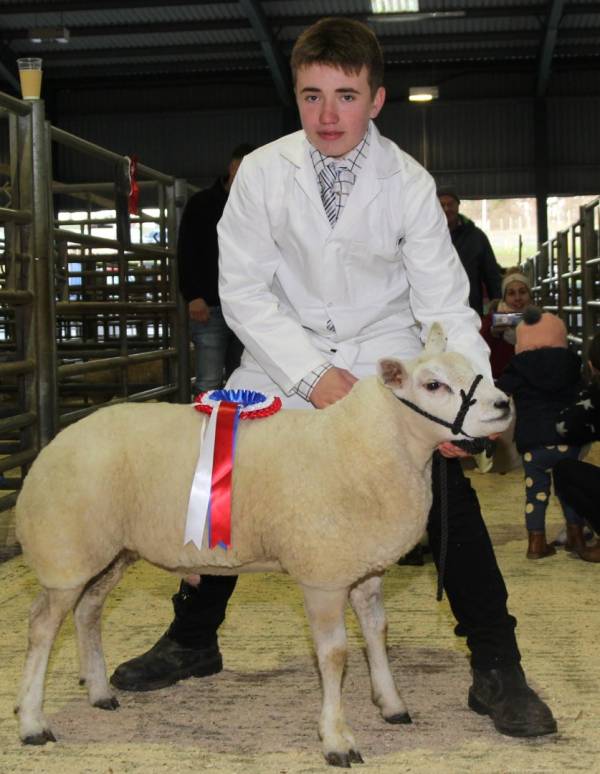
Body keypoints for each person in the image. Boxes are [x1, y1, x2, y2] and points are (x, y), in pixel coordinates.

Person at [111, 18, 556, 739]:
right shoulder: (261, 171)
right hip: (282, 361)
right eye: (312, 94)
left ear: (376, 100)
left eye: (345, 96)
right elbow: (245, 292)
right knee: (222, 474)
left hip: (384, 364)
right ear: (295, 92)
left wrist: (461, 410)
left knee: (444, 487)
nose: (326, 114)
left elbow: (444, 304)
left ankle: (497, 664)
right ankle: (194, 640)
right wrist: (315, 377)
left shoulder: (408, 183)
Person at [497, 308, 584, 559]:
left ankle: (536, 543)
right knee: (570, 489)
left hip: (533, 442)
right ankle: (576, 538)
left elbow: (500, 394)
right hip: (567, 438)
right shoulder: (571, 362)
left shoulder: (517, 366)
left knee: (535, 492)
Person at [177, 143, 254, 394]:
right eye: (246, 167)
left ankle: (239, 434)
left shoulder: (256, 208)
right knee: (208, 381)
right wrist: (193, 296)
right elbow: (186, 251)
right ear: (233, 167)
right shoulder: (201, 204)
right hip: (210, 307)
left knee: (242, 380)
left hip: (246, 308)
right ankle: (202, 433)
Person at [554, 331, 600, 562]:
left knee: (564, 471)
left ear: (591, 366)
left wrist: (591, 387)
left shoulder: (596, 395)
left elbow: (565, 427)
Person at [437, 186, 502, 316]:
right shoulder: (425, 237)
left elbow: (491, 273)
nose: (446, 209)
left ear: (458, 205)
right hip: (437, 306)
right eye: (441, 205)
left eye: (450, 204)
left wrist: (498, 303)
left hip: (470, 307)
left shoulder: (476, 237)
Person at [481, 269, 532, 380]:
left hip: (531, 384)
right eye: (511, 293)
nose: (518, 298)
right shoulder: (491, 320)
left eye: (522, 292)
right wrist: (492, 333)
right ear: (504, 298)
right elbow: (479, 351)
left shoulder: (540, 319)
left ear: (530, 295)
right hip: (499, 383)